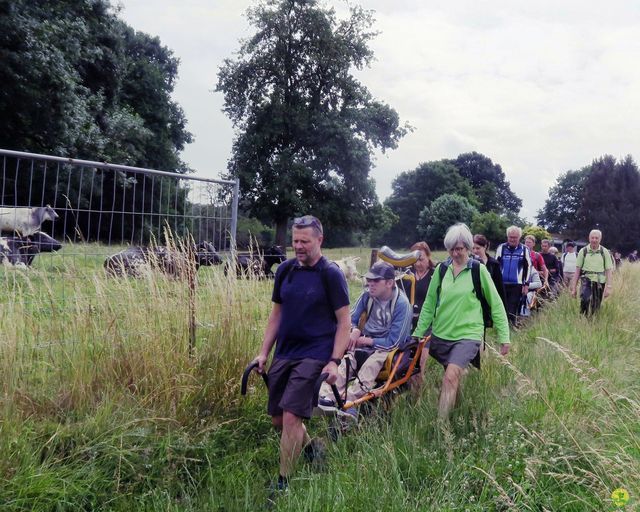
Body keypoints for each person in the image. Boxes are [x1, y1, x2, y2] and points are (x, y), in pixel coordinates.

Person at [253, 215, 351, 492]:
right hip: (285, 351)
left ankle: (283, 482)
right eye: (295, 241)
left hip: (315, 353)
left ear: (319, 240)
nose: (298, 246)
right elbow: (276, 315)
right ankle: (312, 450)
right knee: (278, 419)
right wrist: (263, 353)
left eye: (304, 241)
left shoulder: (330, 274)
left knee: (292, 416)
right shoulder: (285, 271)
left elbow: (344, 321)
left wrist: (334, 361)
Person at [413, 223, 510, 420]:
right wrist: (418, 333)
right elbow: (429, 304)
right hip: (442, 334)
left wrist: (504, 336)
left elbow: (496, 303)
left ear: (467, 247)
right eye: (451, 249)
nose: (455, 254)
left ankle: (441, 429)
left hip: (468, 335)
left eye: (459, 249)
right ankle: (459, 416)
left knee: (450, 377)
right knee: (452, 380)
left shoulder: (478, 270)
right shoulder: (441, 270)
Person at [318, 261, 413, 420]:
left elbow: (395, 342)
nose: (370, 284)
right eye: (369, 280)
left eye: (376, 281)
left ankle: (350, 401)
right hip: (365, 341)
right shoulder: (367, 295)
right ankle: (325, 397)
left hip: (387, 348)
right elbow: (350, 319)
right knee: (346, 362)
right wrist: (355, 330)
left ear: (389, 283)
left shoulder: (402, 305)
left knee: (370, 366)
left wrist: (368, 341)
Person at [569, 229, 614, 316]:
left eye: (596, 238)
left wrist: (609, 287)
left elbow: (608, 270)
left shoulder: (604, 252)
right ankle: (583, 319)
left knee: (596, 305)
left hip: (600, 281)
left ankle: (592, 322)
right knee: (585, 299)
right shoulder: (583, 251)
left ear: (600, 239)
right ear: (589, 238)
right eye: (592, 238)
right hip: (586, 279)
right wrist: (573, 288)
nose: (594, 240)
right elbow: (577, 270)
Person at [495, 226, 532, 326]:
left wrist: (526, 284)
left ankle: (511, 328)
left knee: (512, 307)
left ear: (519, 237)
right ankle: (501, 327)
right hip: (502, 283)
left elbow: (528, 267)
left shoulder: (525, 250)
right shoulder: (501, 248)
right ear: (507, 237)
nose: (512, 239)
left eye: (515, 237)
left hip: (517, 284)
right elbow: (495, 266)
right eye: (510, 237)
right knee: (501, 307)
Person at [408, 241, 436, 329]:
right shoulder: (407, 274)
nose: (417, 264)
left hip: (429, 324)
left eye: (421, 260)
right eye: (415, 260)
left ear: (428, 256)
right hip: (408, 322)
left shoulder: (436, 275)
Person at [472, 234, 506, 307]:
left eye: (478, 248)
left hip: (490, 300)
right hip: (473, 301)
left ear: (485, 247)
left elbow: (499, 287)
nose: (475, 251)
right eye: (473, 248)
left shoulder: (494, 264)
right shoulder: (468, 263)